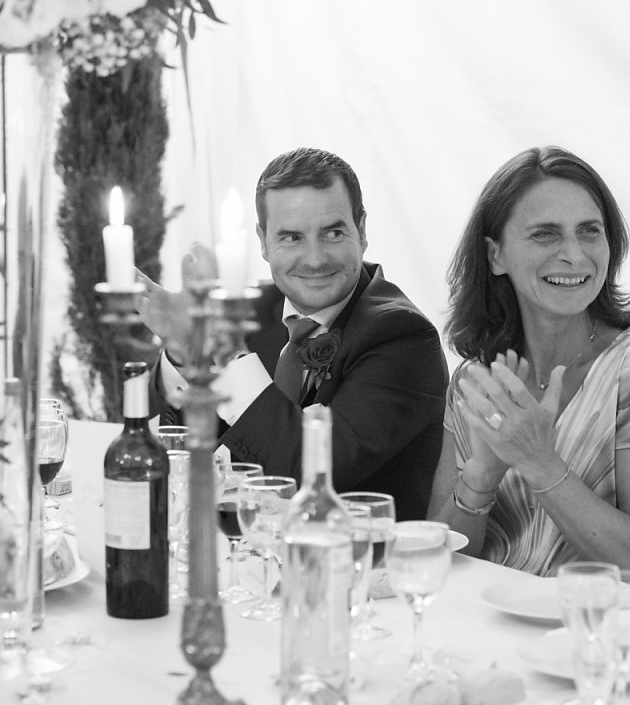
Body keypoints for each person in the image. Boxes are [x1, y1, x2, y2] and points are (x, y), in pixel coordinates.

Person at [427, 146, 630, 612]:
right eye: (545, 234)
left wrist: (539, 462)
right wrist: (481, 477)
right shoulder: (475, 379)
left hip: (608, 636)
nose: (574, 255)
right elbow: (441, 564)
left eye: (589, 231)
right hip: (488, 628)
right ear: (495, 255)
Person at [138, 147, 448, 521]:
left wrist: (228, 355)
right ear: (263, 241)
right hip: (244, 541)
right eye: (291, 237)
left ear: (362, 231)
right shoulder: (253, 310)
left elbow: (310, 476)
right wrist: (181, 354)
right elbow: (173, 448)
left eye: (333, 233)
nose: (315, 259)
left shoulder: (403, 338)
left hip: (359, 551)